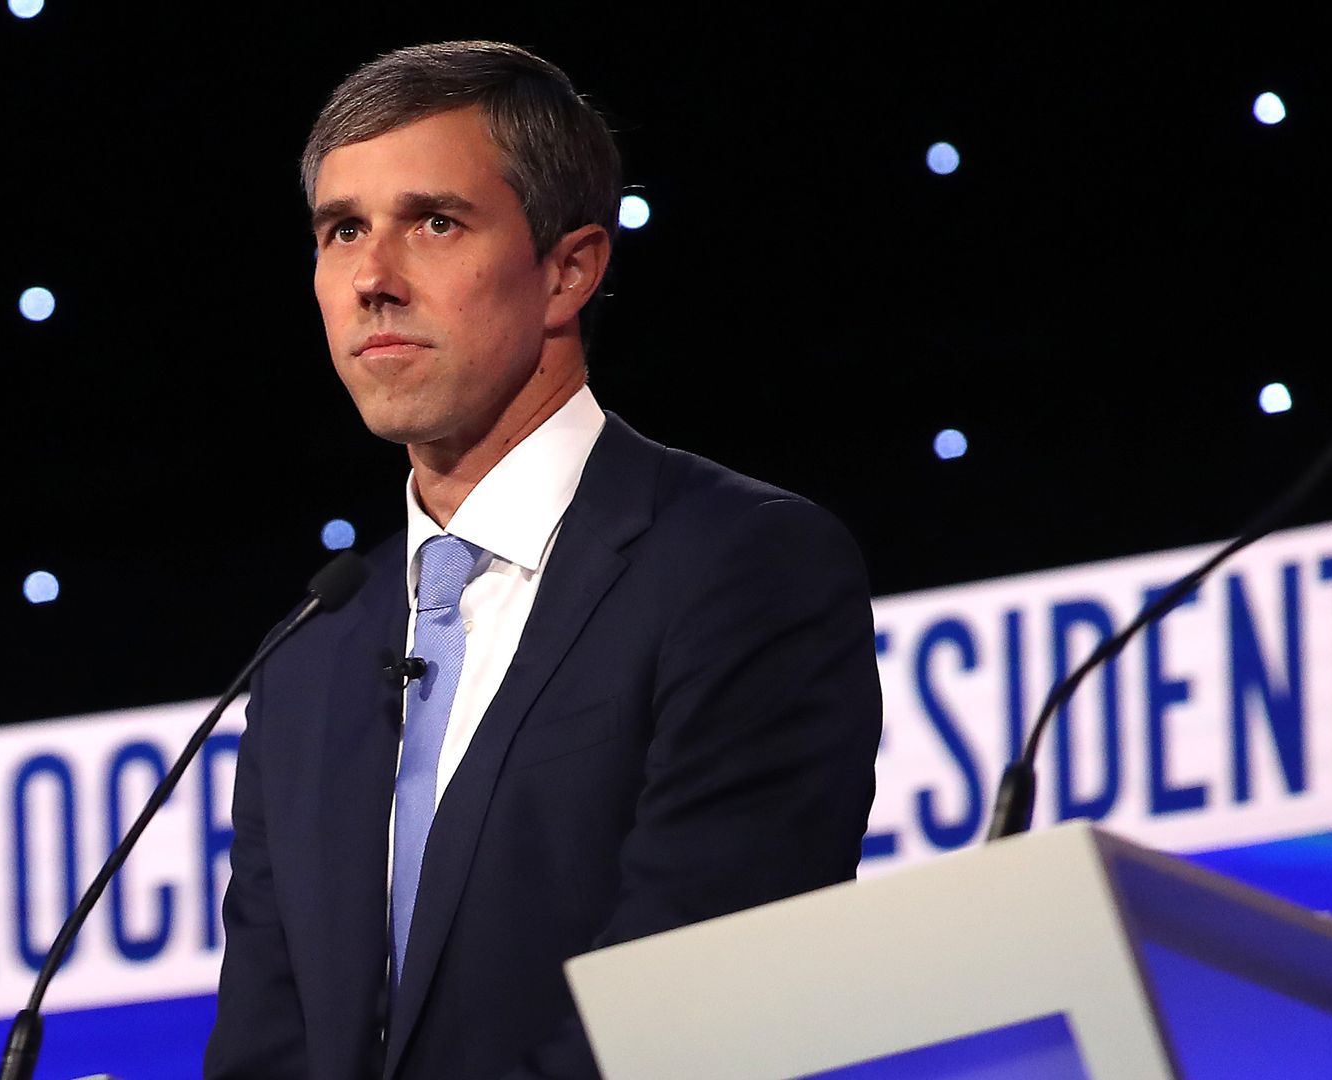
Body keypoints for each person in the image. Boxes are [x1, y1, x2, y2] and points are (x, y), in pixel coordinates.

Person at [203, 40, 882, 1080]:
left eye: (435, 222)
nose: (373, 280)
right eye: (343, 231)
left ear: (569, 271)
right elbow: (267, 1048)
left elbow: (697, 1012)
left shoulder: (743, 565)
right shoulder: (308, 658)